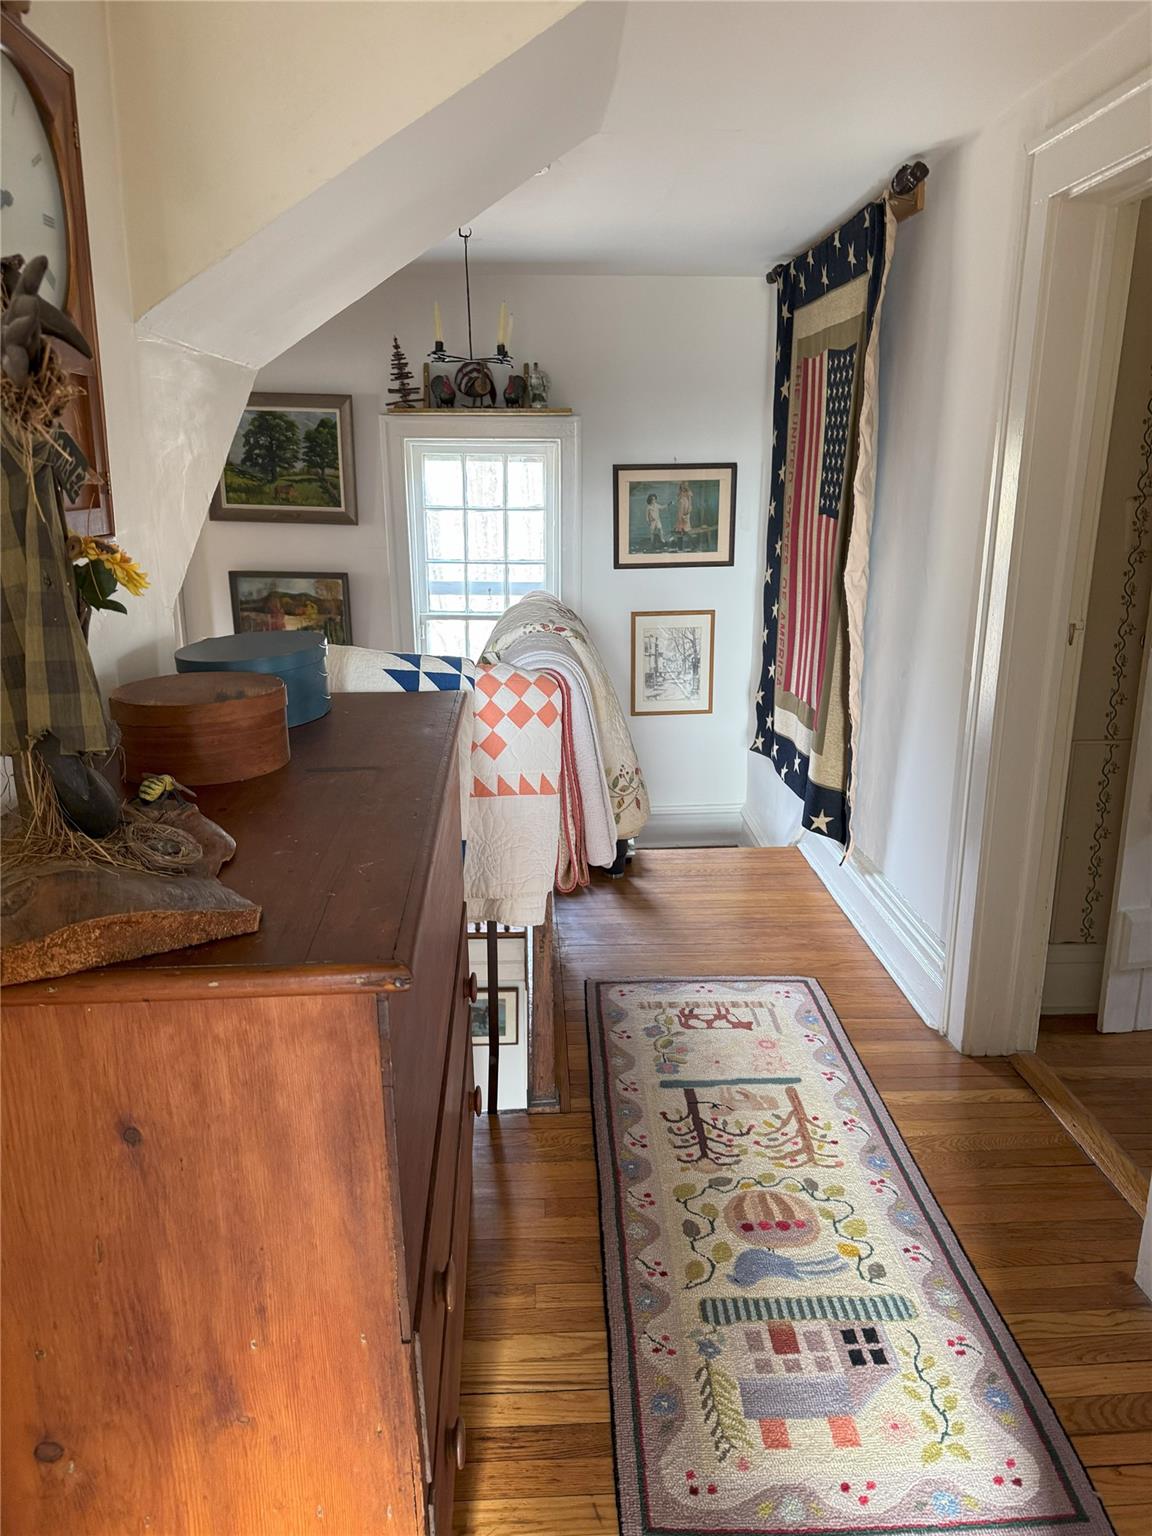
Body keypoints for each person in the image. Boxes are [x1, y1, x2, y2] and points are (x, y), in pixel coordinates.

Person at [674, 481, 694, 549]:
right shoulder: (679, 493)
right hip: (681, 507)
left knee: (685, 527)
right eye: (682, 485)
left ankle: (693, 544)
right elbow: (678, 500)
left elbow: (690, 502)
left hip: (685, 508)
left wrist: (688, 509)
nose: (683, 486)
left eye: (684, 485)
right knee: (680, 527)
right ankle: (680, 546)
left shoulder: (688, 492)